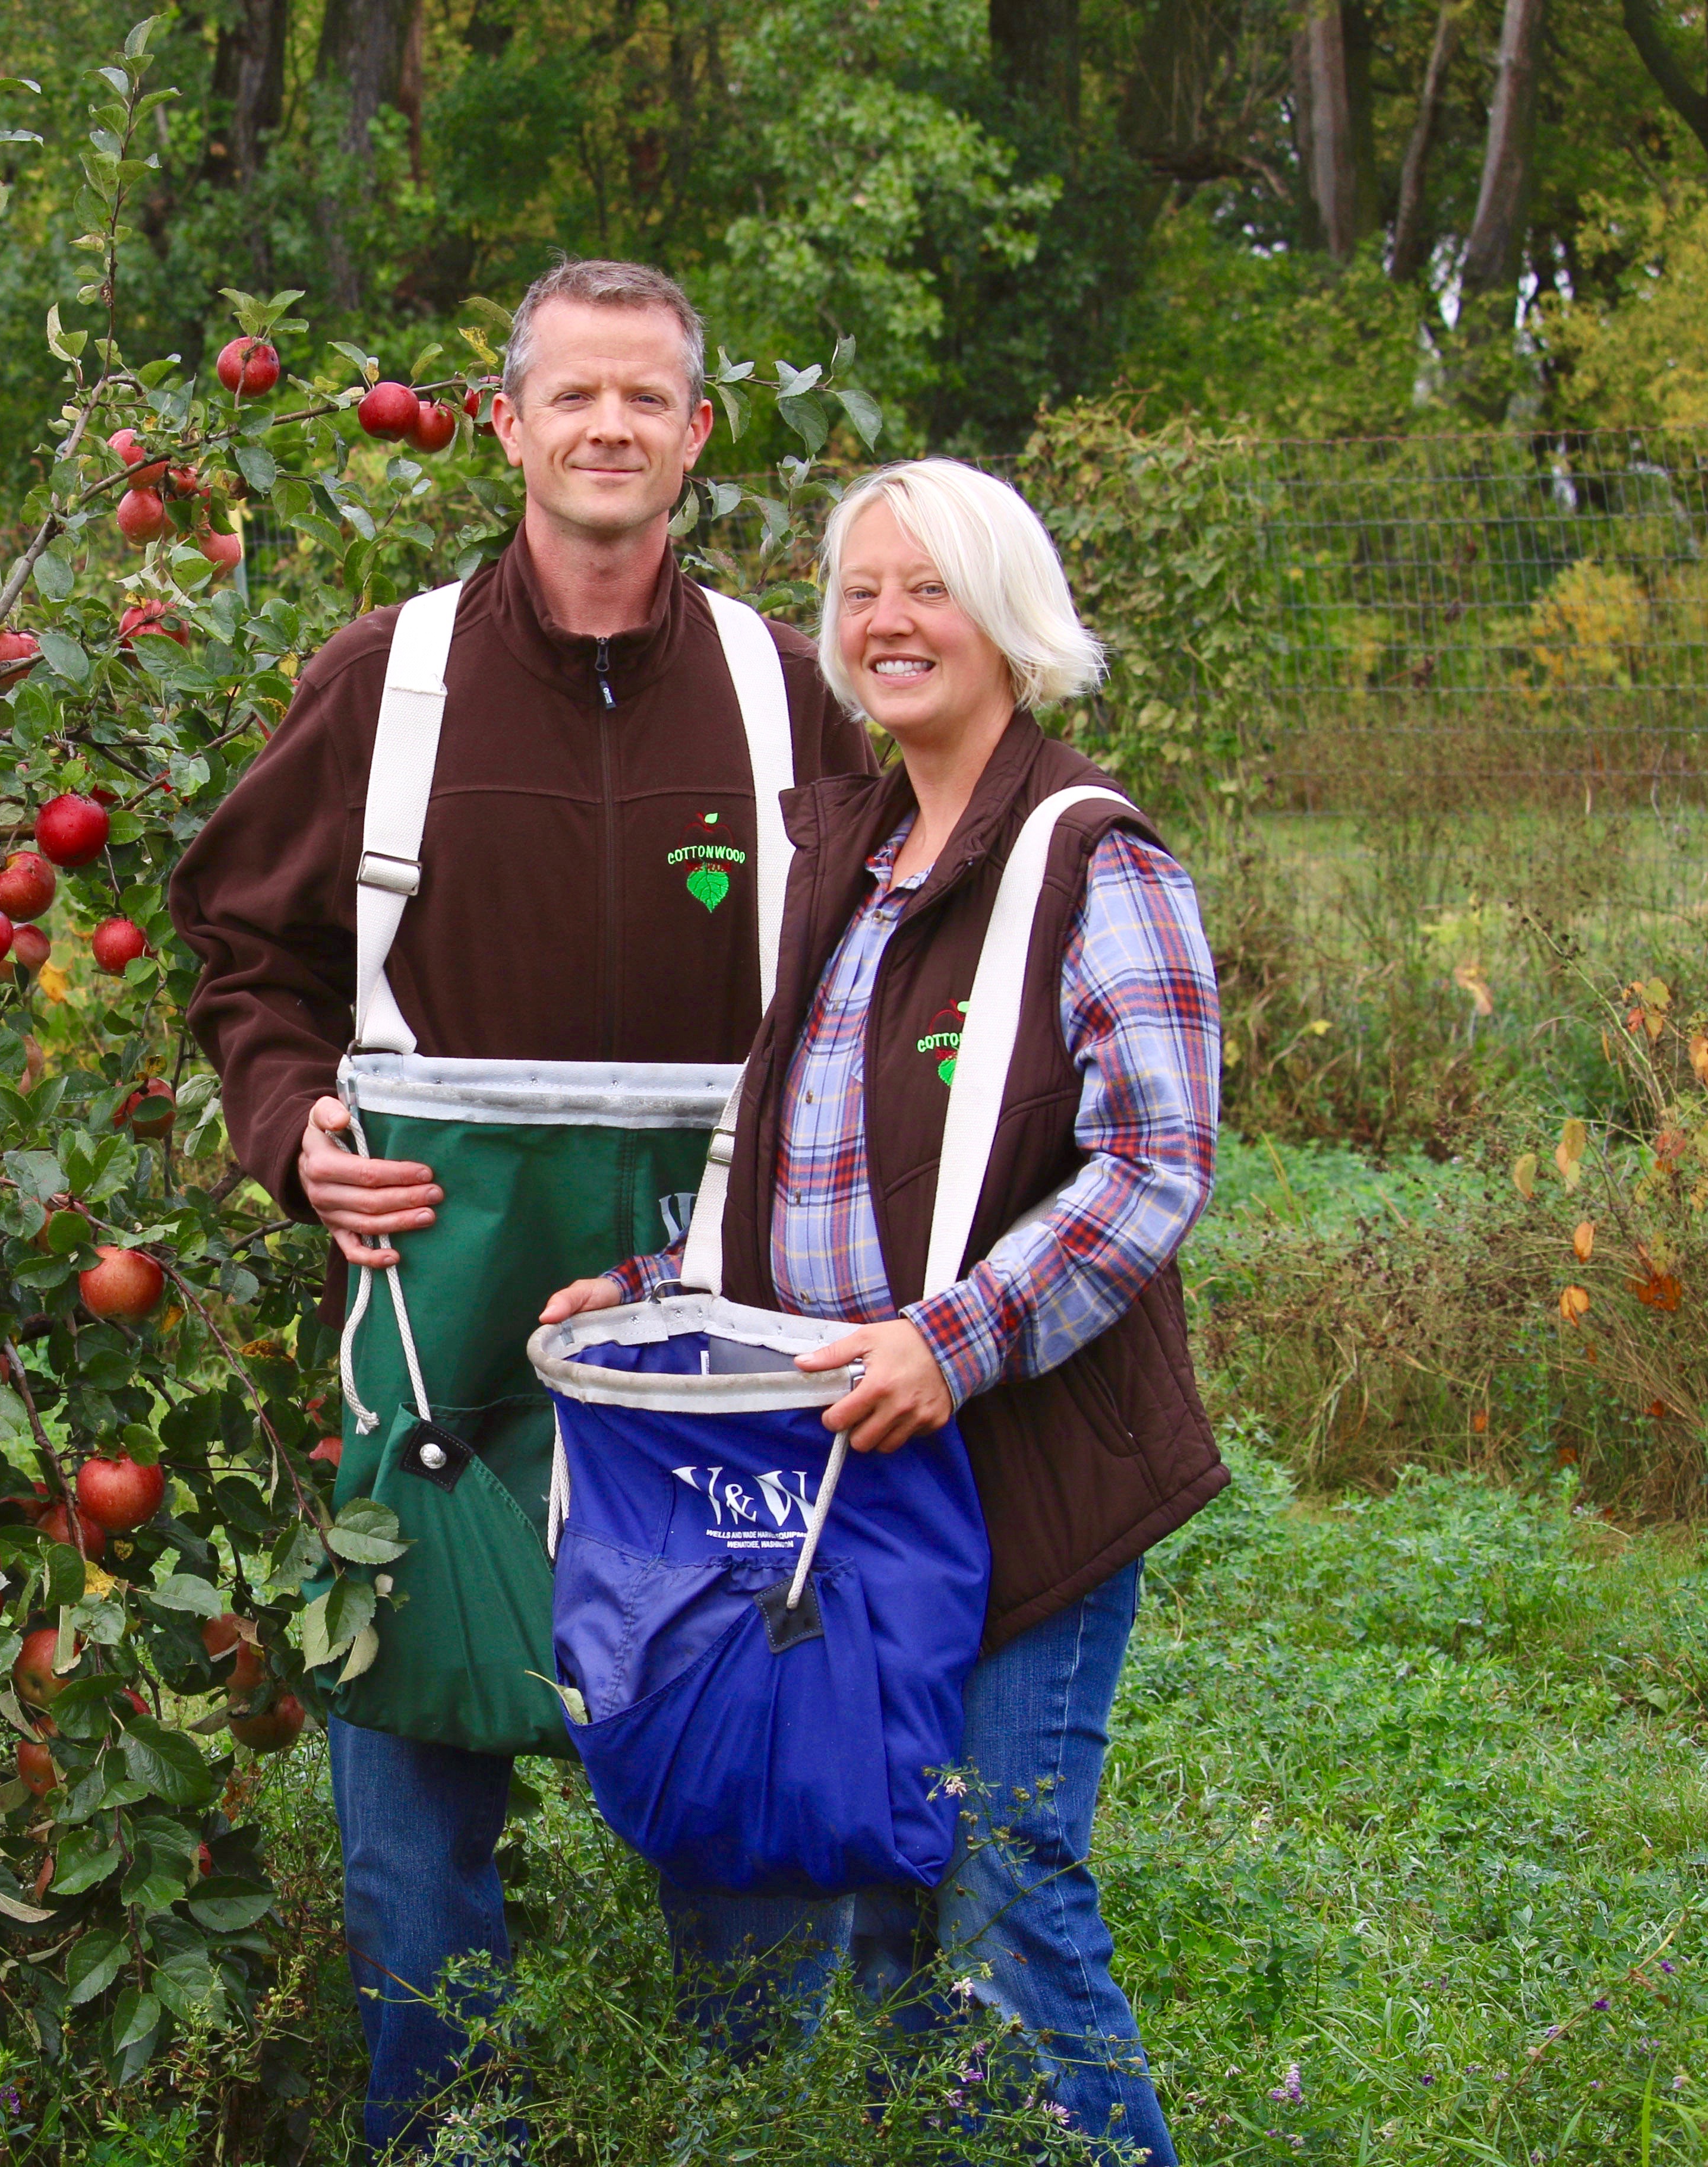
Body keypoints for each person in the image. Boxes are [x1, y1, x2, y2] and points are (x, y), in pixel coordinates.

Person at [168, 259, 874, 2154]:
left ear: (698, 435)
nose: (608, 428)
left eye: (646, 398)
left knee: (740, 1757)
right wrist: (293, 1124)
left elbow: (878, 983)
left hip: (715, 1313)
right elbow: (242, 951)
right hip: (439, 1306)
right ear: (505, 426)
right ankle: (445, 2135)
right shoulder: (384, 680)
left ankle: (750, 2133)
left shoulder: (786, 695)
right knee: (413, 1789)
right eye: (573, 395)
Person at [542, 457, 1226, 2162]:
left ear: (1009, 618)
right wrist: (654, 1290)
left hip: (1020, 1464)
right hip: (852, 1471)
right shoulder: (847, 855)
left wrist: (953, 1340)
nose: (888, 621)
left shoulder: (1089, 858)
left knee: (1000, 1876)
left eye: (930, 588)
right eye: (861, 592)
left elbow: (1157, 1159)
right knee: (883, 1881)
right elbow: (804, 1163)